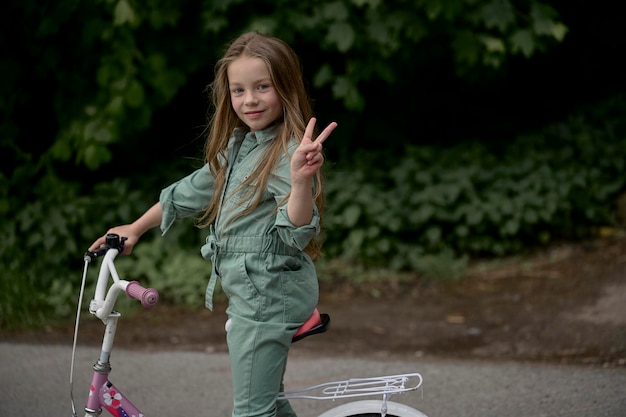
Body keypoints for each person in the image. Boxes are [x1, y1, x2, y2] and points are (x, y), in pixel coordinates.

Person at [89, 32, 337, 417]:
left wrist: (301, 182)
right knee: (268, 404)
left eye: (262, 87)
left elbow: (297, 228)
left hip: (268, 300)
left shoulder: (288, 152)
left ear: (285, 88)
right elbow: (189, 192)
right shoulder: (240, 146)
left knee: (251, 412)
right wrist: (135, 227)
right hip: (254, 295)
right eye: (238, 90)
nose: (249, 99)